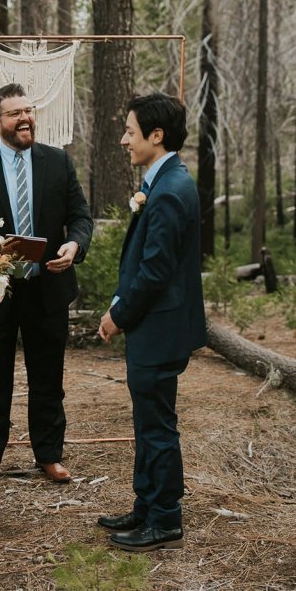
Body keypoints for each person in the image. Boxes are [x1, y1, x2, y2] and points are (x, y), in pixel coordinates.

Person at [0, 83, 93, 489]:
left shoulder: (57, 161)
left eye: (29, 110)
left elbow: (80, 216)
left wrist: (74, 244)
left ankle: (49, 455)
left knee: (48, 376)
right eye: (15, 113)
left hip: (49, 286)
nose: (25, 118)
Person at [96, 91, 206, 552]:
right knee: (146, 422)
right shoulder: (163, 183)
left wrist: (118, 315)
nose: (124, 139)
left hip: (158, 329)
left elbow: (156, 272)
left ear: (156, 136)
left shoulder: (171, 191)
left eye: (130, 131)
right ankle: (146, 505)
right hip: (155, 328)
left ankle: (165, 519)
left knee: (157, 426)